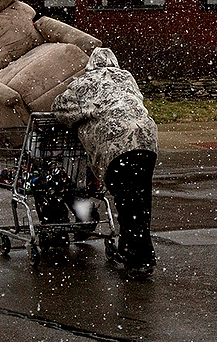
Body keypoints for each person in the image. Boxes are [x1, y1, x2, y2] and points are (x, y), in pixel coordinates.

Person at [51, 47, 159, 277]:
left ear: (91, 65)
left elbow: (60, 109)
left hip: (116, 146)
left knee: (127, 203)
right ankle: (137, 252)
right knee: (140, 201)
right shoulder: (126, 78)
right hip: (146, 141)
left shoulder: (86, 82)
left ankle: (137, 259)